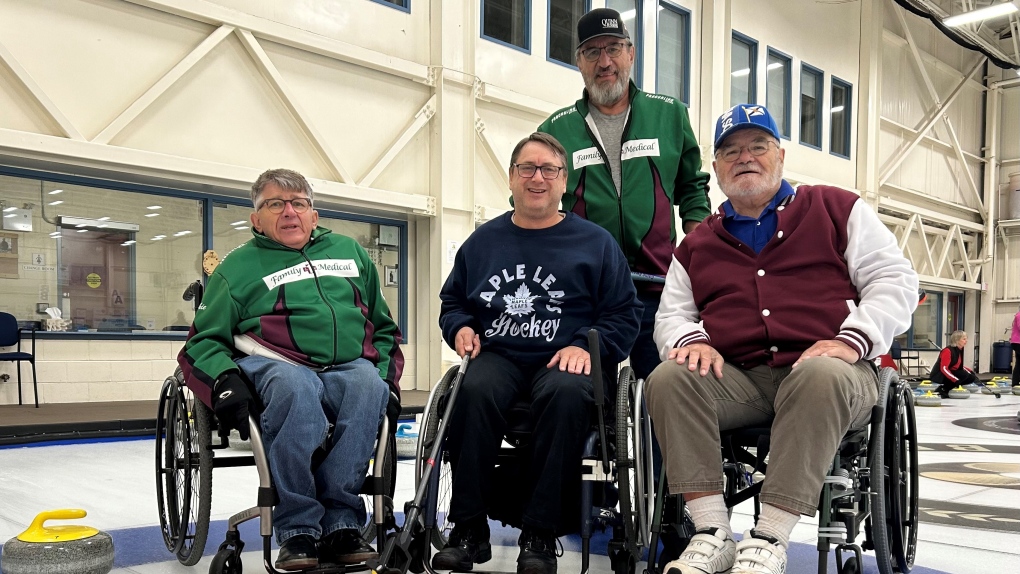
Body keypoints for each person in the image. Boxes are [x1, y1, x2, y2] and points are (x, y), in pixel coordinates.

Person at [645, 105, 918, 574]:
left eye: (757, 147)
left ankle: (770, 536)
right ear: (716, 169)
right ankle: (712, 533)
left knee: (821, 373)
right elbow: (671, 314)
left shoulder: (837, 208)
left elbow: (894, 280)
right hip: (741, 380)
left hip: (835, 374)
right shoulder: (696, 244)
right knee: (670, 377)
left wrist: (854, 339)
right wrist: (694, 339)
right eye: (730, 151)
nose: (744, 158)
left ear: (781, 155)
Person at [178, 168, 403, 571]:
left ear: (314, 215)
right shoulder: (238, 267)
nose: (289, 212)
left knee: (369, 387)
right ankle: (298, 528)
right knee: (294, 387)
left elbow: (384, 329)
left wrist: (387, 376)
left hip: (348, 364)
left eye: (299, 203)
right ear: (255, 218)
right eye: (274, 204)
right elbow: (201, 341)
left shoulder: (350, 252)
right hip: (273, 363)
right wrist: (225, 381)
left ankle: (341, 522)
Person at [435, 132, 641, 574]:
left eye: (548, 169)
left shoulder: (596, 243)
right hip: (500, 355)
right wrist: (461, 327)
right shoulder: (482, 242)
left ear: (564, 180)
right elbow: (452, 303)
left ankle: (541, 534)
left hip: (566, 358)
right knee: (470, 389)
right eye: (526, 168)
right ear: (511, 178)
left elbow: (625, 313)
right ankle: (469, 529)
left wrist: (591, 346)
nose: (537, 178)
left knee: (566, 394)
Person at [537, 7, 710, 381]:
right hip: (585, 294)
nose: (605, 61)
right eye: (592, 52)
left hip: (659, 288)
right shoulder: (556, 129)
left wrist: (698, 261)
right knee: (580, 393)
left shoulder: (670, 115)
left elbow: (693, 189)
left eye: (614, 48)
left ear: (630, 53)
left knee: (669, 394)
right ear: (579, 62)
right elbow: (538, 206)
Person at [930, 330, 980, 398]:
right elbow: (944, 368)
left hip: (948, 372)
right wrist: (955, 379)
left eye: (966, 339)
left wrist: (970, 371)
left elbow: (957, 365)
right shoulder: (947, 351)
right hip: (939, 375)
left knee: (971, 377)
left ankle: (949, 387)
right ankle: (943, 389)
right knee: (963, 374)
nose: (966, 341)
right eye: (964, 339)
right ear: (957, 340)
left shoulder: (958, 350)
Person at [1012, 305, 1020, 387]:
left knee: (1019, 363)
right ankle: (1015, 382)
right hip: (1017, 342)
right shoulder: (1019, 315)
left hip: (1017, 342)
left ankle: (1015, 382)